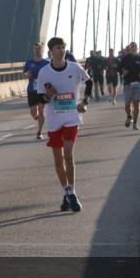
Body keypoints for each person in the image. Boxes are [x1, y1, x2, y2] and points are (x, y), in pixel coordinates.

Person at [37, 37, 93, 212]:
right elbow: (40, 98)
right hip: (54, 118)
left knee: (68, 153)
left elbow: (89, 82)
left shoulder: (74, 67)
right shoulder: (44, 72)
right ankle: (66, 192)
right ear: (50, 52)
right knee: (58, 158)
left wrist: (84, 102)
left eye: (63, 47)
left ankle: (73, 193)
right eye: (57, 48)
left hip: (71, 117)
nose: (61, 50)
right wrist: (49, 95)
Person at [23, 42, 50, 139]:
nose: (37, 50)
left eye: (39, 48)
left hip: (42, 90)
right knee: (34, 113)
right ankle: (39, 119)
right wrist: (27, 75)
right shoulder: (29, 63)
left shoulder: (47, 63)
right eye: (36, 49)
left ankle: (39, 132)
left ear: (42, 50)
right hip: (32, 90)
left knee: (41, 111)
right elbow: (24, 73)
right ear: (33, 50)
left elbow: (51, 75)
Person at [119, 42, 140, 130]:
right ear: (129, 48)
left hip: (138, 84)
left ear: (137, 48)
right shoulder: (125, 59)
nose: (132, 48)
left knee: (136, 104)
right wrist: (122, 73)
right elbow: (119, 68)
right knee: (127, 105)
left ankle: (135, 123)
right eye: (131, 47)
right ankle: (129, 116)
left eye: (134, 47)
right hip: (127, 84)